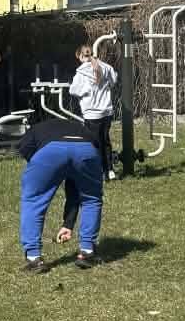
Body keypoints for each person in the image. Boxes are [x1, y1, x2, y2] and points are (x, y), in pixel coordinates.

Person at [16, 112, 104, 271]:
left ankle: (34, 258)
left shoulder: (36, 129)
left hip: (51, 152)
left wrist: (45, 170)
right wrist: (68, 224)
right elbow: (75, 184)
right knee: (91, 199)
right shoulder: (80, 128)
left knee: (33, 200)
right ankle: (87, 252)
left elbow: (25, 149)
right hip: (86, 149)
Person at [67, 44, 119, 181]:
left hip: (91, 113)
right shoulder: (106, 67)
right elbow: (113, 80)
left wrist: (85, 91)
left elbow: (73, 90)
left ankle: (98, 171)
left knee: (94, 144)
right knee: (105, 141)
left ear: (80, 56)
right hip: (106, 111)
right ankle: (110, 170)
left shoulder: (81, 73)